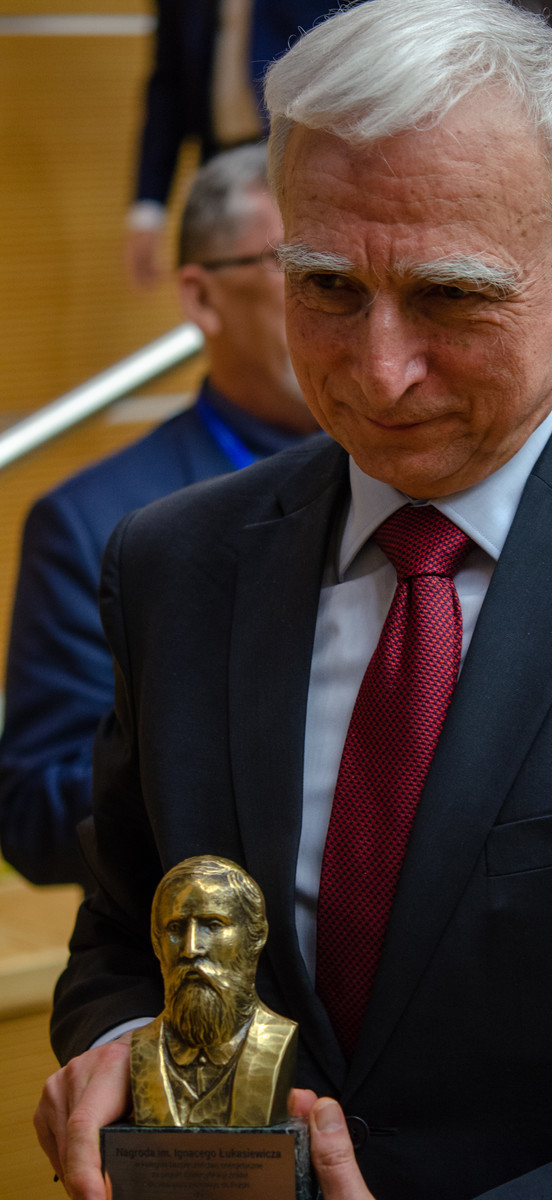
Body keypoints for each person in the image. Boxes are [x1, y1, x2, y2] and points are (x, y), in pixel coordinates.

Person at [34, 1, 552, 1198]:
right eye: (326, 286)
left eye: (450, 296)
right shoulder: (175, 566)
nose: (380, 371)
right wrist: (124, 1049)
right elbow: (128, 931)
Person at [0, 143, 317, 889]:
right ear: (202, 299)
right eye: (297, 266)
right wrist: (227, 743)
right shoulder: (94, 520)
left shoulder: (413, 476)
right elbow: (34, 817)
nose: (334, 303)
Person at [126, 0, 340, 286]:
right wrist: (148, 210)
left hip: (307, 152)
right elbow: (169, 84)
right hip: (218, 158)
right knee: (221, 286)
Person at [131, 855, 297, 1128]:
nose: (191, 948)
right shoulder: (142, 1048)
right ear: (157, 944)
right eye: (175, 928)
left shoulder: (276, 1039)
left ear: (256, 936)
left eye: (213, 925)